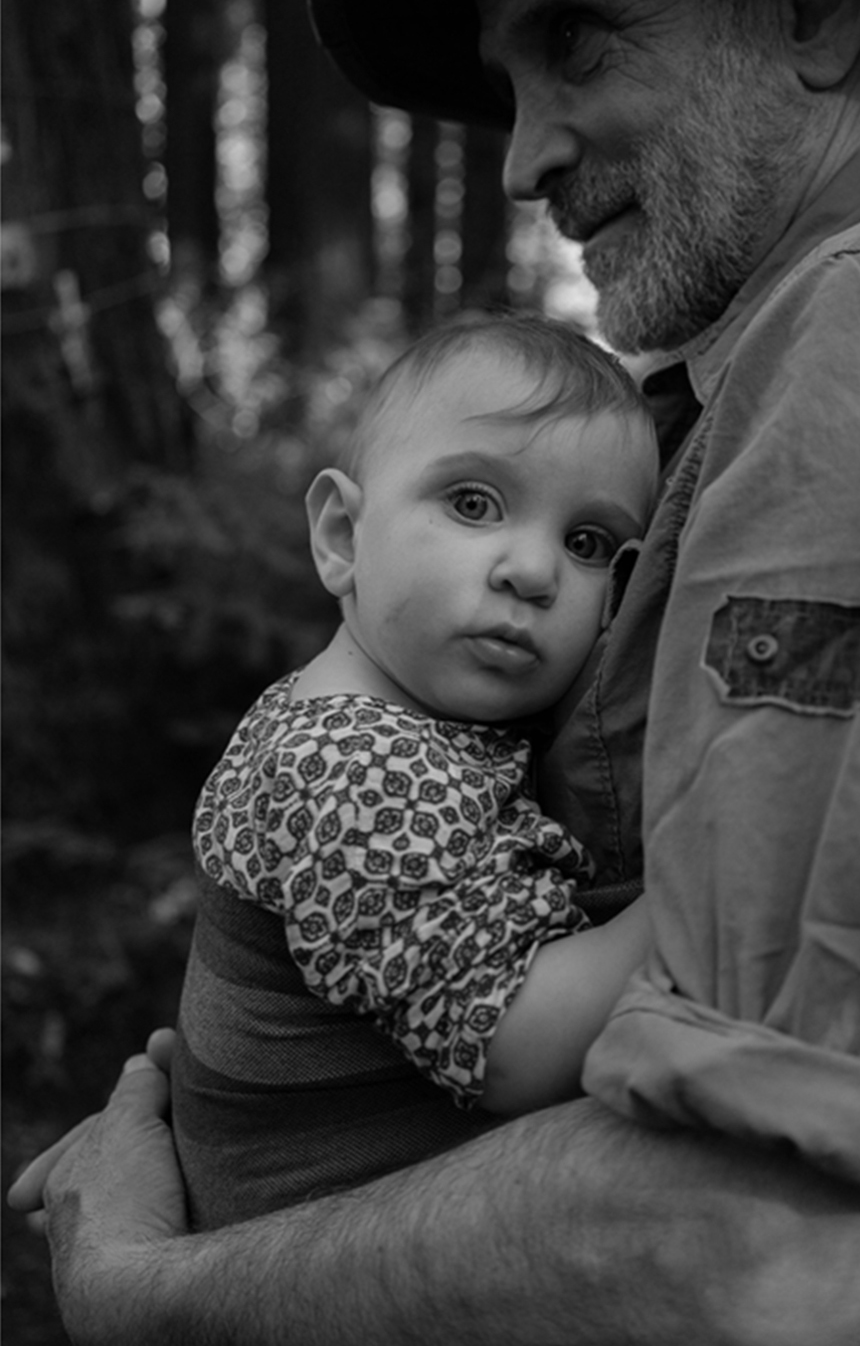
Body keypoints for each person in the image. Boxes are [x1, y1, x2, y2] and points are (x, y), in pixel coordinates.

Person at [10, 0, 860, 1341]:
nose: (519, 160)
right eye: (507, 84)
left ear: (811, 0)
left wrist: (154, 1289)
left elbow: (749, 1242)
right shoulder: (741, 386)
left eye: (573, 38)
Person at [172, 313, 657, 1228]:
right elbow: (514, 1042)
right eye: (473, 503)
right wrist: (713, 885)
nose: (534, 572)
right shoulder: (353, 765)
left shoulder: (389, 719)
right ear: (342, 536)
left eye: (589, 543)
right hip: (306, 1258)